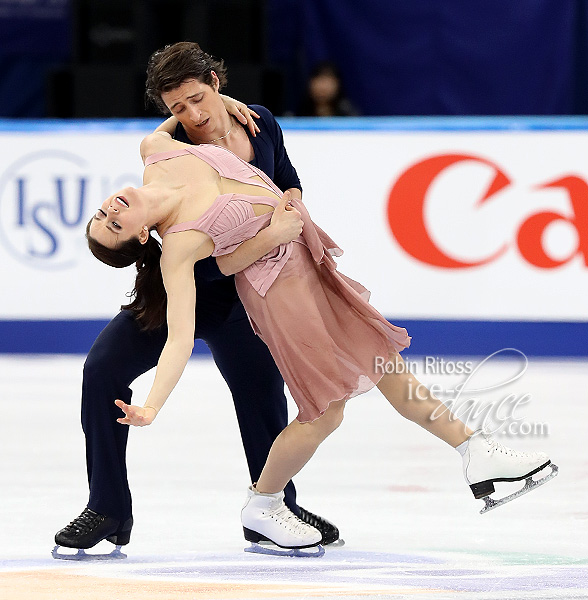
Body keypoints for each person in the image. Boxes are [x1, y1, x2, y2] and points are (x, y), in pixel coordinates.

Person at [85, 130, 556, 551]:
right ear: (143, 235)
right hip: (280, 294)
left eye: (103, 213)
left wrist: (225, 103)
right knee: (325, 410)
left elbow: (189, 101)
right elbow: (182, 335)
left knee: (385, 363)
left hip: (312, 267)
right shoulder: (180, 245)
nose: (111, 211)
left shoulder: (158, 149)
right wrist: (152, 406)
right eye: (113, 226)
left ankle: (474, 452)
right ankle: (264, 503)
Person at [53, 41, 340, 555]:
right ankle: (107, 507)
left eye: (195, 100)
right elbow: (157, 156)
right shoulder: (176, 148)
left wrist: (290, 204)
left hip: (247, 297)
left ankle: (274, 507)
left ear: (215, 80)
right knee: (101, 370)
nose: (191, 115)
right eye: (176, 109)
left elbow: (288, 181)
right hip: (182, 290)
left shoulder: (261, 123)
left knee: (262, 398)